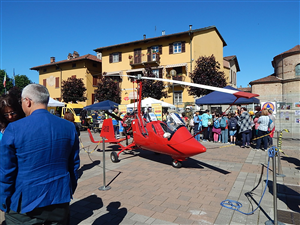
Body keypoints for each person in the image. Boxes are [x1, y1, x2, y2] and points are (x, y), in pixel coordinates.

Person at [0, 84, 80, 225]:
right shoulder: (69, 127)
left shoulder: (14, 128)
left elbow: (6, 171)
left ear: (27, 101)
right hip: (59, 198)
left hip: (25, 203)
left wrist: (4, 199)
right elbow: (73, 166)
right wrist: (68, 191)